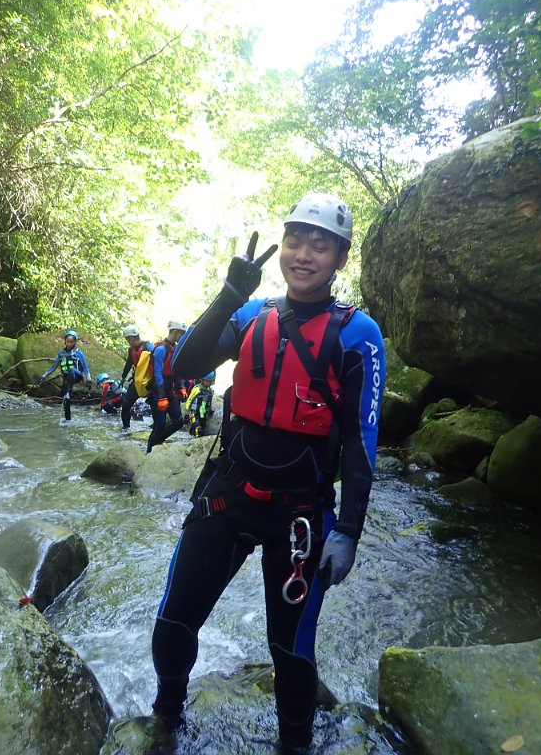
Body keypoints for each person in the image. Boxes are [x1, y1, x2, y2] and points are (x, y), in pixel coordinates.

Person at [150, 193, 386, 752]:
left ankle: (294, 743)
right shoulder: (253, 315)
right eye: (295, 241)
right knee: (174, 622)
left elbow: (362, 440)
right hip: (229, 494)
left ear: (340, 258)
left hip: (300, 514)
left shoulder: (358, 334)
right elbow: (184, 364)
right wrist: (230, 294)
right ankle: (165, 722)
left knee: (290, 650)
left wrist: (349, 530)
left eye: (320, 246)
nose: (304, 255)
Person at [146, 320, 188, 452]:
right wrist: (161, 396)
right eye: (181, 334)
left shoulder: (174, 349)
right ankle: (149, 451)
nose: (183, 337)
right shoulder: (160, 349)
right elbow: (157, 373)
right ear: (175, 332)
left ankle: (157, 442)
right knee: (159, 424)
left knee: (179, 421)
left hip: (170, 391)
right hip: (158, 392)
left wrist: (181, 387)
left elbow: (176, 370)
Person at [38, 330, 92, 421]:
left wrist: (88, 379)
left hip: (77, 375)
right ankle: (67, 419)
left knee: (71, 370)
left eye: (72, 342)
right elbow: (53, 367)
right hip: (67, 378)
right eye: (68, 342)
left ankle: (67, 393)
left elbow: (85, 367)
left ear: (75, 342)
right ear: (65, 342)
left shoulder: (78, 353)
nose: (69, 344)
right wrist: (44, 376)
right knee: (66, 399)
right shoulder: (61, 354)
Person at [120, 325, 153, 432]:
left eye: (127, 339)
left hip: (150, 382)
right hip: (137, 381)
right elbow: (129, 363)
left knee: (156, 406)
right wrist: (123, 377)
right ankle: (126, 429)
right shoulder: (131, 350)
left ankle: (155, 428)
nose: (128, 341)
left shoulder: (148, 347)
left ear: (131, 338)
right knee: (126, 404)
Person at [184, 372, 215, 438]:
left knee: (202, 428)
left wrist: (210, 410)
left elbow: (209, 402)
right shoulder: (197, 389)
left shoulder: (210, 391)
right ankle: (194, 437)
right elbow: (189, 400)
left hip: (203, 414)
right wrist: (187, 413)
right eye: (207, 381)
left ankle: (192, 434)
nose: (209, 383)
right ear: (202, 380)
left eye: (210, 381)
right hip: (195, 413)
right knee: (198, 430)